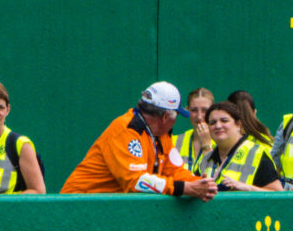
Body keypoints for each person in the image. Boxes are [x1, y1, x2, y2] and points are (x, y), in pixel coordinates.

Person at [62, 83, 217, 198]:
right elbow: (135, 181)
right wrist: (185, 188)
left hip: (105, 208)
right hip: (78, 205)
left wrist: (200, 184)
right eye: (176, 115)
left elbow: (175, 170)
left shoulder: (162, 135)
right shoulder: (126, 129)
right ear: (164, 118)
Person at [193, 99, 280, 191]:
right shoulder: (206, 159)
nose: (218, 126)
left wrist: (247, 188)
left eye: (224, 121)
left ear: (238, 124)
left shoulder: (256, 154)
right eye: (212, 123)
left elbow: (278, 196)